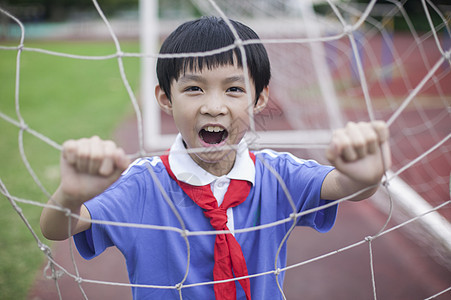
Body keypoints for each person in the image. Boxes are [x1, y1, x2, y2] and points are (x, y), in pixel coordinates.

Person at [40, 16, 391, 300]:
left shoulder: (277, 173)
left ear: (259, 98)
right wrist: (71, 196)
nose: (213, 106)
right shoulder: (144, 184)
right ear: (165, 99)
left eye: (234, 89)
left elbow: (345, 186)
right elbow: (58, 228)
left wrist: (365, 177)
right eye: (193, 88)